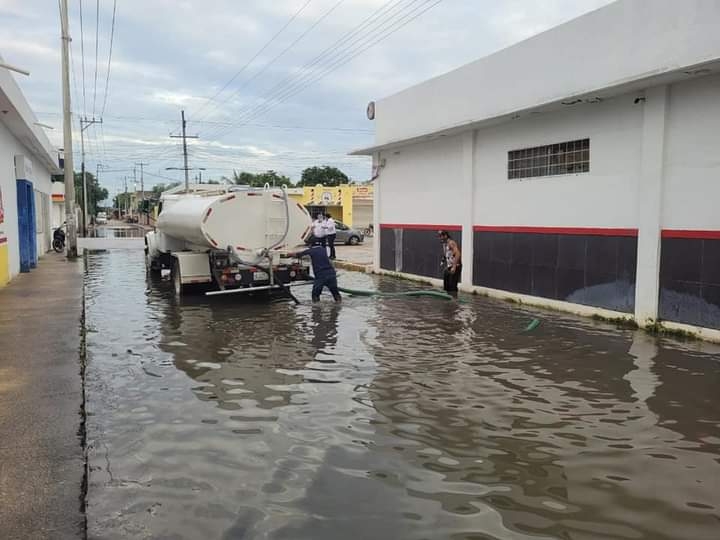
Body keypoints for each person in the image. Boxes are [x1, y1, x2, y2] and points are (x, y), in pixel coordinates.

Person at [438, 230, 462, 295]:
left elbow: (457, 254)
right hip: (449, 266)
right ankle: (448, 302)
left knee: (452, 287)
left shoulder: (451, 243)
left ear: (445, 236)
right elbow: (447, 254)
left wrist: (454, 267)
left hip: (455, 266)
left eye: (441, 236)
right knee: (446, 286)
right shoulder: (444, 244)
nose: (440, 238)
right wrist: (442, 260)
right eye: (439, 236)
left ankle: (454, 301)